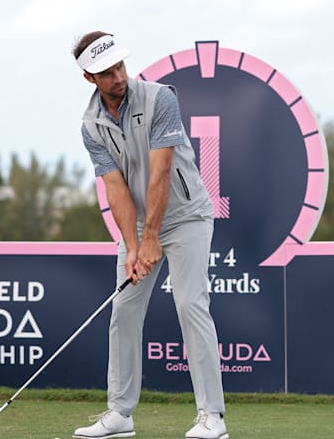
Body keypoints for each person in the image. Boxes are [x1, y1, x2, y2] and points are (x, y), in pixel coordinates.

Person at [71, 31, 228, 439]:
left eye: (120, 66)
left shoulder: (161, 98)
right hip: (140, 227)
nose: (119, 76)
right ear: (91, 78)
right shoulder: (91, 126)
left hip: (188, 215)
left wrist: (152, 237)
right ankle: (120, 413)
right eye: (107, 73)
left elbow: (160, 172)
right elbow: (116, 189)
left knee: (191, 304)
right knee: (123, 311)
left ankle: (213, 417)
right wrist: (133, 245)